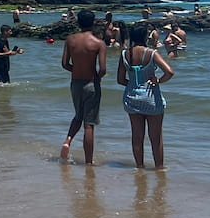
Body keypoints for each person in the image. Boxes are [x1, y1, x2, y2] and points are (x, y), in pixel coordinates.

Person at [118, 23, 174, 168]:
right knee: (156, 139)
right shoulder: (151, 53)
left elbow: (120, 79)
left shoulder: (125, 54)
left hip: (132, 98)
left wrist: (133, 86)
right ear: (144, 36)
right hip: (151, 99)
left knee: (137, 137)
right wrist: (159, 81)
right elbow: (169, 72)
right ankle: (159, 169)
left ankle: (139, 168)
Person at [59, 10, 107, 164]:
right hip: (91, 83)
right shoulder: (98, 43)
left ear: (78, 22)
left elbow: (65, 64)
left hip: (75, 83)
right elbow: (103, 69)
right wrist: (96, 78)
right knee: (89, 124)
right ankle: (88, 162)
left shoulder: (70, 39)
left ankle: (67, 140)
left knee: (78, 115)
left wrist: (77, 70)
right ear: (93, 23)